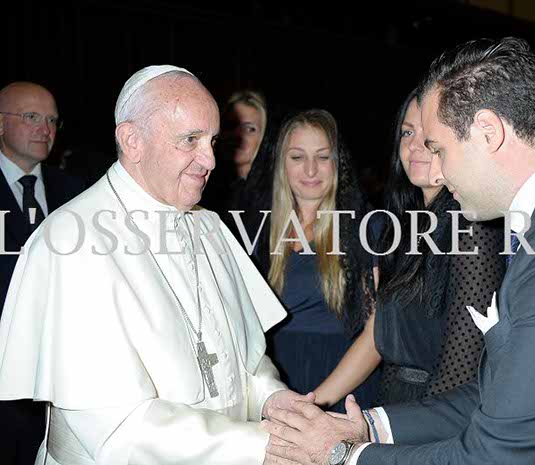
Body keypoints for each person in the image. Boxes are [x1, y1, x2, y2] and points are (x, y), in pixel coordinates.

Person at [262, 37, 535, 465]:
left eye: (439, 147)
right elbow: (502, 392)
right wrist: (368, 428)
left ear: (488, 132)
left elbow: (502, 453)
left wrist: (342, 456)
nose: (434, 164)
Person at [0, 65, 312, 465]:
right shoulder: (69, 243)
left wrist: (274, 399)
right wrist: (261, 446)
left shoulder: (208, 226)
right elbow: (118, 429)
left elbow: (242, 356)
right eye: (190, 140)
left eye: (213, 140)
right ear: (132, 141)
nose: (211, 159)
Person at [313, 89, 504, 407]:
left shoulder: (474, 228)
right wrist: (313, 403)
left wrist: (401, 434)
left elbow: (462, 370)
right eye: (406, 132)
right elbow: (376, 337)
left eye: (429, 135)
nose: (415, 145)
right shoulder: (397, 229)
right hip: (393, 402)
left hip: (440, 417)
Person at [255, 109, 380, 413]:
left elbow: (378, 334)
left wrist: (315, 403)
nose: (310, 170)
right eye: (297, 157)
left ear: (337, 164)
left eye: (322, 157)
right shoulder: (258, 233)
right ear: (282, 164)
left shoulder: (366, 228)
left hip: (340, 389)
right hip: (272, 387)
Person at [0, 81, 85, 465]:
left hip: (61, 373)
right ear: (0, 124)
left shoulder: (77, 192)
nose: (44, 129)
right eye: (31, 117)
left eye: (51, 120)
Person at [201, 90, 275, 242]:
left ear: (264, 137)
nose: (238, 135)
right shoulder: (206, 186)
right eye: (231, 125)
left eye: (250, 129)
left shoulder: (275, 194)